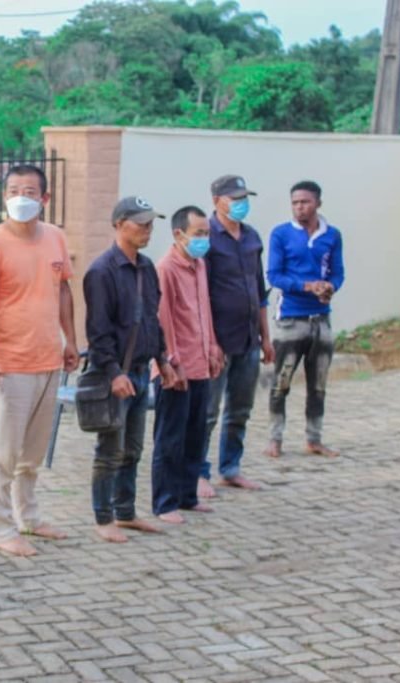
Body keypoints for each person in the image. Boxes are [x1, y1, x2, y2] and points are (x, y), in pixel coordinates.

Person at [0, 164, 79, 557]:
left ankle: (29, 517)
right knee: (3, 453)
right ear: (3, 197)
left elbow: (63, 290)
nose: (21, 197)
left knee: (32, 453)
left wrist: (71, 340)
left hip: (48, 359)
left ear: (44, 199)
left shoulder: (55, 239)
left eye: (30, 191)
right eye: (14, 190)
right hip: (8, 364)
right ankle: (1, 529)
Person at [83, 197, 176, 543]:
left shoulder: (147, 268)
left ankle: (126, 511)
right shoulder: (101, 272)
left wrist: (162, 361)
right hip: (115, 375)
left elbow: (152, 320)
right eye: (141, 224)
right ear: (119, 224)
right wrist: (113, 373)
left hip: (140, 371)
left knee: (133, 449)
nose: (148, 230)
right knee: (109, 450)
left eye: (151, 224)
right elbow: (98, 332)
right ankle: (103, 516)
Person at [199, 175, 273, 497]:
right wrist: (210, 341)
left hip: (248, 339)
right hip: (219, 341)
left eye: (244, 198)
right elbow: (200, 295)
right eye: (234, 198)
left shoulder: (252, 237)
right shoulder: (206, 239)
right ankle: (197, 471)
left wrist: (266, 337)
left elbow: (259, 291)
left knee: (240, 408)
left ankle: (230, 468)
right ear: (216, 200)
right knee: (208, 411)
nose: (240, 204)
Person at [151, 206, 224, 525]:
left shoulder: (201, 266)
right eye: (199, 234)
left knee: (195, 434)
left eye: (207, 233)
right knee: (170, 437)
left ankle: (187, 495)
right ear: (178, 234)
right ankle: (165, 502)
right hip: (175, 370)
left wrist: (212, 348)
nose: (204, 240)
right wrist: (171, 363)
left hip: (201, 364)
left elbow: (203, 311)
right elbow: (163, 320)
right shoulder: (165, 268)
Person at [265, 180, 345, 459]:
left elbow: (338, 273)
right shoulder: (281, 234)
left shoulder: (332, 235)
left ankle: (314, 438)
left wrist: (330, 287)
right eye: (295, 202)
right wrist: (308, 286)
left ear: (318, 203)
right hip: (290, 319)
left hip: (321, 319)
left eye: (305, 202)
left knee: (318, 384)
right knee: (281, 381)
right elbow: (274, 276)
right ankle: (275, 439)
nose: (300, 207)